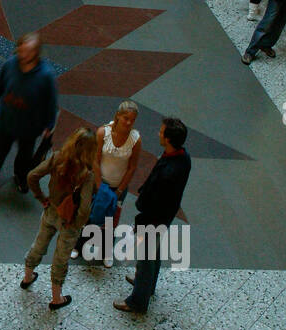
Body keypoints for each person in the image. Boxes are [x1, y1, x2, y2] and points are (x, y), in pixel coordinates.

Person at [0, 33, 58, 212]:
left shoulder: (46, 75)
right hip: (5, 123)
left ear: (36, 53)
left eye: (28, 51)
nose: (23, 54)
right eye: (21, 49)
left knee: (25, 156)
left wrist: (49, 125)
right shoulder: (10, 64)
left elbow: (51, 102)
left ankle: (21, 176)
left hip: (30, 128)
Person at [115, 118, 191, 315]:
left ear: (167, 139)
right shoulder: (183, 158)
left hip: (154, 219)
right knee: (153, 252)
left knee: (146, 257)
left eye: (161, 132)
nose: (158, 133)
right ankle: (147, 285)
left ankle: (137, 301)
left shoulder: (169, 172)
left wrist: (140, 222)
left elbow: (154, 203)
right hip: (165, 217)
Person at [20, 128, 98, 311]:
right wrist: (77, 223)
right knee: (61, 258)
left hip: (51, 210)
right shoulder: (87, 174)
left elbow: (32, 176)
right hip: (69, 220)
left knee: (39, 244)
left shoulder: (57, 158)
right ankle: (56, 298)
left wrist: (42, 198)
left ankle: (27, 278)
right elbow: (85, 207)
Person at [77, 100, 141, 266]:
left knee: (111, 221)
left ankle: (106, 251)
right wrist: (99, 187)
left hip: (118, 187)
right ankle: (79, 245)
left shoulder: (135, 140)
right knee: (89, 214)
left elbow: (132, 167)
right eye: (126, 118)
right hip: (98, 184)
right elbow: (95, 160)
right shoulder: (102, 133)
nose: (128, 122)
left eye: (132, 120)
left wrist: (119, 190)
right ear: (118, 116)